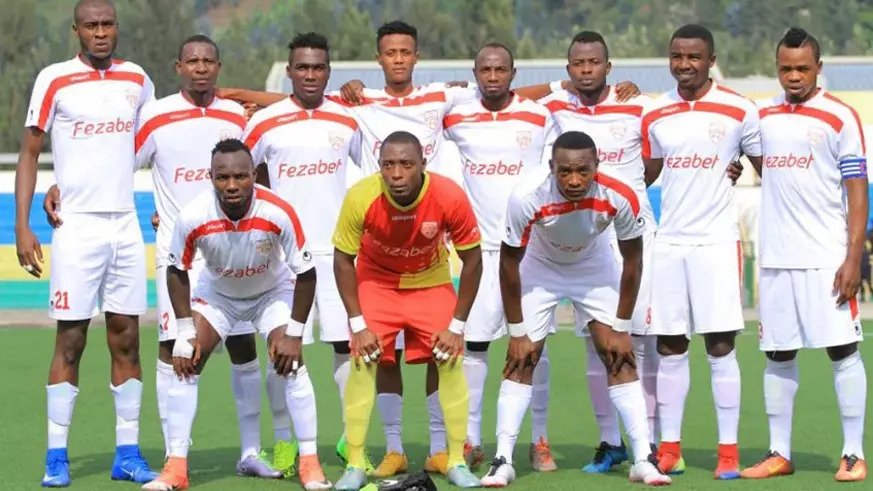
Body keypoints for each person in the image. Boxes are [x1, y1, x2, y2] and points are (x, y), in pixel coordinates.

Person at [14, 0, 158, 486]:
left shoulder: (137, 79)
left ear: (117, 28)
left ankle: (128, 453)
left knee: (127, 338)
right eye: (91, 25)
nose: (101, 32)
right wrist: (23, 224)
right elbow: (31, 151)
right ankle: (57, 456)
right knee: (71, 339)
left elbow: (150, 145)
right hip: (75, 227)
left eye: (108, 24)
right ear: (76, 30)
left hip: (124, 225)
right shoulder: (54, 78)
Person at [479, 131, 671, 487]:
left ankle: (643, 458)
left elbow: (633, 261)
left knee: (618, 353)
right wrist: (518, 332)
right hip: (540, 266)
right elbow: (508, 266)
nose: (573, 180)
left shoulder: (621, 194)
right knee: (521, 358)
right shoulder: (526, 195)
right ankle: (502, 460)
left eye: (583, 171)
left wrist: (621, 325)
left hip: (594, 264)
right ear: (551, 167)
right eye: (564, 171)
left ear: (597, 166)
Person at [142, 139, 330, 491]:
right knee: (185, 360)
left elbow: (305, 273)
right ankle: (176, 468)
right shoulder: (194, 215)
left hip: (271, 293)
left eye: (241, 177)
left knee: (292, 363)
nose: (232, 185)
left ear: (254, 175)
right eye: (222, 177)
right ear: (210, 177)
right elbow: (175, 270)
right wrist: (184, 330)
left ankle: (310, 463)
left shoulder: (278, 212)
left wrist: (294, 332)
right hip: (219, 296)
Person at [740, 27, 868, 482]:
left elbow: (857, 188)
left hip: (825, 257)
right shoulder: (762, 115)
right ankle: (779, 452)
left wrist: (853, 256)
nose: (793, 76)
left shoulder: (840, 116)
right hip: (776, 257)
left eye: (802, 68)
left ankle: (853, 453)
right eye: (785, 68)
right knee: (777, 354)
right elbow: (763, 166)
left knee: (842, 350)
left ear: (819, 68)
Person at [641, 24, 763, 479]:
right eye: (676, 56)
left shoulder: (739, 109)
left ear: (711, 60)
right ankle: (670, 448)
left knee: (720, 345)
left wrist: (736, 168)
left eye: (694, 57)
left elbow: (765, 166)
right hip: (670, 242)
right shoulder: (655, 115)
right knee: (670, 346)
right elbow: (646, 175)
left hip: (716, 242)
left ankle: (728, 453)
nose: (684, 65)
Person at [331, 131, 483, 490]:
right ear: (379, 167)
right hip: (377, 283)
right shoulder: (361, 196)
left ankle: (454, 458)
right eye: (388, 165)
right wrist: (358, 323)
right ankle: (358, 462)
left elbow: (474, 259)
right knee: (364, 360)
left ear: (422, 165)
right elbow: (342, 259)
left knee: (449, 358)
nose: (396, 173)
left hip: (429, 282)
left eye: (406, 164)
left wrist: (457, 325)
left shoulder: (448, 195)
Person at [242, 31, 364, 474]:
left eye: (318, 67)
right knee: (283, 349)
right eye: (302, 67)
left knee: (345, 348)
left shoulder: (348, 120)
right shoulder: (264, 121)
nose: (310, 74)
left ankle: (352, 442)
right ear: (289, 70)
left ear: (328, 72)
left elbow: (372, 176)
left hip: (337, 255)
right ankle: (283, 443)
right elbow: (237, 173)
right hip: (281, 258)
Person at [537, 31, 658, 473]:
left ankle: (655, 441)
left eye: (594, 63)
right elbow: (507, 93)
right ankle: (611, 442)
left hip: (631, 234)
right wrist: (555, 89)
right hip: (587, 239)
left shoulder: (640, 104)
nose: (586, 70)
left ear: (610, 66)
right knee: (596, 345)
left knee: (640, 342)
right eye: (577, 64)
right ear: (568, 69)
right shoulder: (554, 107)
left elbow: (662, 154)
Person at [441, 42, 557, 472]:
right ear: (474, 73)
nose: (493, 77)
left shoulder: (540, 117)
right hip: (482, 253)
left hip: (530, 253)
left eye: (501, 70)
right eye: (485, 70)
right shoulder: (455, 115)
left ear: (513, 72)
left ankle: (539, 439)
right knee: (475, 347)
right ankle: (471, 439)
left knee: (533, 350)